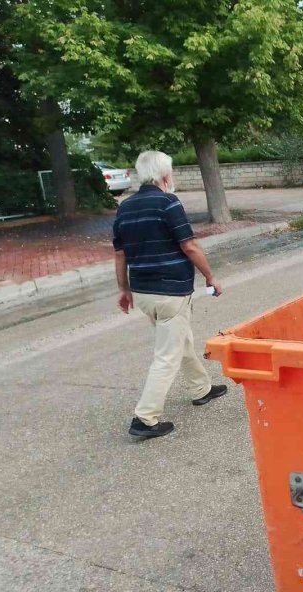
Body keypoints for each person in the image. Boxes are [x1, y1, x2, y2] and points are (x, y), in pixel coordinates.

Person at [113, 151, 228, 439]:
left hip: (143, 292)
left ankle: (201, 388)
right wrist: (210, 276)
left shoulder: (125, 207)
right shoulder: (168, 202)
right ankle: (145, 418)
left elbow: (120, 254)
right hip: (170, 292)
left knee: (179, 340)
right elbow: (189, 246)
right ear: (165, 175)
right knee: (167, 355)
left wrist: (123, 289)